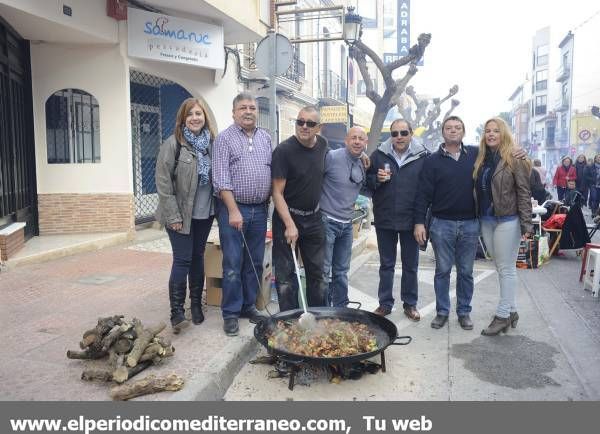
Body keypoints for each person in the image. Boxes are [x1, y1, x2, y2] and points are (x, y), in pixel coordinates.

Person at [155, 97, 216, 334]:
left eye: (198, 113)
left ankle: (196, 305)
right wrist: (173, 216)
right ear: (182, 119)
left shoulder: (211, 144)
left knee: (198, 256)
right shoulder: (173, 145)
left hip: (204, 213)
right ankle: (177, 312)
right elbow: (163, 184)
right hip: (179, 214)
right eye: (190, 114)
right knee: (182, 259)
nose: (194, 118)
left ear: (205, 117)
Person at [212, 93, 272, 336]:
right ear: (234, 112)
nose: (248, 111)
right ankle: (230, 313)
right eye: (242, 108)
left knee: (255, 262)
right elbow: (220, 178)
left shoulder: (266, 138)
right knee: (233, 264)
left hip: (259, 209)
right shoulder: (224, 139)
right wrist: (234, 210)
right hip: (234, 210)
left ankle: (248, 306)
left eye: (252, 107)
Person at [413, 116, 480, 330]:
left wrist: (519, 154)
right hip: (442, 224)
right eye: (449, 128)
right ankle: (442, 311)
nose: (453, 131)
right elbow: (422, 194)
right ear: (443, 132)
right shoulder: (432, 161)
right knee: (442, 270)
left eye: (457, 127)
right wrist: (419, 223)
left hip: (470, 224)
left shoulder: (476, 156)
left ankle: (464, 312)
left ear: (463, 131)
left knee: (466, 271)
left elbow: (501, 155)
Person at [473, 117, 533, 336]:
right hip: (487, 220)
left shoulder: (515, 158)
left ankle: (502, 315)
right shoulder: (481, 158)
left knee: (506, 268)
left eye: (496, 131)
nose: (491, 134)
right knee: (500, 267)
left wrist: (527, 224)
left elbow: (524, 192)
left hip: (508, 220)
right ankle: (513, 310)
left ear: (504, 133)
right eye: (487, 130)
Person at [365, 119, 429, 321]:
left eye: (403, 133)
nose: (399, 137)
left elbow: (426, 191)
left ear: (411, 134)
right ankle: (385, 304)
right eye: (394, 134)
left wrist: (421, 221)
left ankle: (410, 304)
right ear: (390, 136)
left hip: (411, 220)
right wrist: (377, 179)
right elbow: (365, 182)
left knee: (411, 265)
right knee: (386, 264)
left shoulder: (423, 157)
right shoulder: (378, 155)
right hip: (385, 219)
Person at [272, 106, 329, 312]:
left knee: (319, 275)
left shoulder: (323, 145)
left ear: (319, 128)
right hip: (287, 217)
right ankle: (289, 322)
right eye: (300, 122)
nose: (304, 126)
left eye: (310, 123)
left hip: (314, 218)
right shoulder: (283, 151)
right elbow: (277, 193)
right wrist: (289, 225)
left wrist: (361, 158)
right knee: (286, 277)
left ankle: (319, 319)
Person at [320, 126, 369, 307]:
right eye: (353, 138)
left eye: (361, 139)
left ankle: (341, 309)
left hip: (347, 224)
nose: (357, 141)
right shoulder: (332, 157)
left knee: (341, 271)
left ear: (366, 143)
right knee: (324, 272)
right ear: (346, 140)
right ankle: (323, 310)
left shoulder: (363, 163)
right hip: (327, 221)